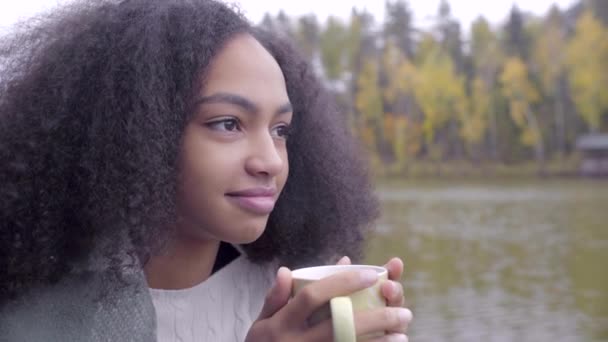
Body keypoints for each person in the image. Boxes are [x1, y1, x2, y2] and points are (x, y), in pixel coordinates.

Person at [0, 0, 413, 340]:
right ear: (136, 135)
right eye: (228, 123)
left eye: (281, 129)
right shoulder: (31, 317)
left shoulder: (295, 298)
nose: (269, 160)